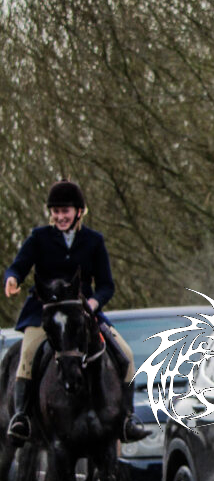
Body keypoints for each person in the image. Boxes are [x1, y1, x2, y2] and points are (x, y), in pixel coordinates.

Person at [3, 179, 147, 443]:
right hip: (45, 314)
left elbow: (106, 285)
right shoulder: (39, 238)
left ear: (79, 212)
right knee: (27, 356)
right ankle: (21, 417)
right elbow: (18, 267)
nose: (60, 216)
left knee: (125, 355)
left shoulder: (93, 241)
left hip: (83, 313)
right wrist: (12, 279)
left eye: (65, 211)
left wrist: (93, 304)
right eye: (56, 211)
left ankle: (127, 418)